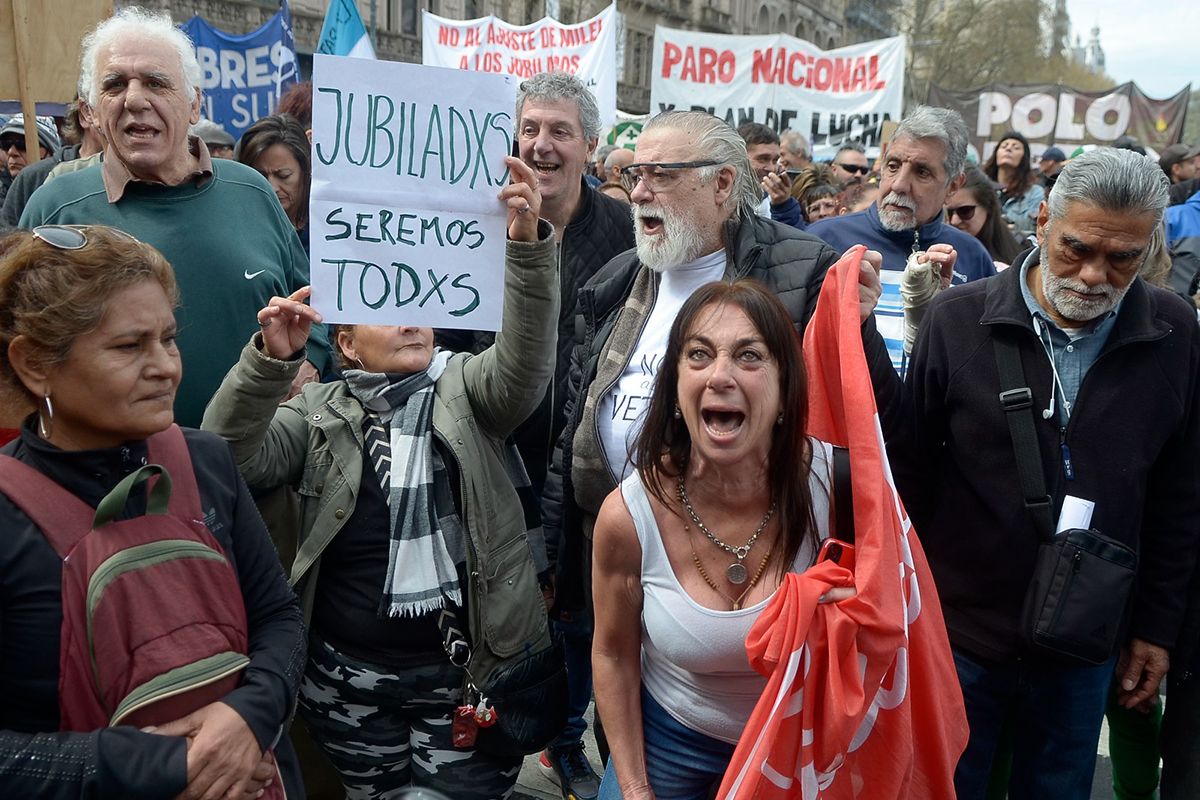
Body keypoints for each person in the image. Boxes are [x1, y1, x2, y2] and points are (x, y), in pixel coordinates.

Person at [202, 158, 557, 800]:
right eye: (387, 306)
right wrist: (269, 363)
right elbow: (229, 453)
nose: (411, 317)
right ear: (346, 344)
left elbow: (526, 366)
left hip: (463, 682)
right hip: (346, 686)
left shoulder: (466, 387)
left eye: (420, 304)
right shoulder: (313, 413)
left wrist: (526, 248)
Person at [876, 147, 1200, 800]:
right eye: (1076, 248)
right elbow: (907, 479)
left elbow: (1178, 496)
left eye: (1121, 259)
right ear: (1043, 219)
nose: (1092, 275)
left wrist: (1155, 630)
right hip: (958, 638)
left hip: (1086, 644)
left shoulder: (1174, 331)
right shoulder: (957, 320)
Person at [542, 109, 836, 770]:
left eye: (661, 176)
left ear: (723, 184)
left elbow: (855, 423)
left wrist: (862, 328)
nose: (639, 192)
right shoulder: (616, 279)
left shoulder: (804, 272)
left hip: (747, 576)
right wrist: (556, 552)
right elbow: (573, 427)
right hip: (613, 554)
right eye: (634, 174)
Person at [0, 225, 304, 798]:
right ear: (35, 363)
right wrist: (159, 765)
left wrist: (248, 717)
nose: (166, 366)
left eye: (169, 338)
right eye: (128, 346)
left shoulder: (206, 460)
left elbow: (278, 618)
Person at [591, 279, 859, 799]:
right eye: (698, 355)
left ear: (786, 393)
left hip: (801, 745)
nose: (719, 376)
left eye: (749, 356)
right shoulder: (627, 517)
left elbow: (894, 628)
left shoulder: (840, 488)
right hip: (669, 744)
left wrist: (861, 615)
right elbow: (613, 654)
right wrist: (635, 786)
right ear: (673, 389)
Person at [20, 6, 328, 427]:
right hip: (115, 481)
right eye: (114, 85)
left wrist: (307, 361)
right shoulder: (57, 207)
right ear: (91, 111)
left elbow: (316, 307)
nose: (134, 99)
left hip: (258, 473)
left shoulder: (252, 190)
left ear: (193, 104)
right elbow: (24, 351)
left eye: (155, 82)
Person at [808, 105, 995, 374]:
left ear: (953, 186)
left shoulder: (971, 256)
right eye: (893, 166)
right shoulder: (823, 239)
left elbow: (979, 364)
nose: (898, 185)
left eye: (922, 172)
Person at [1, 99, 104, 231]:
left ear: (49, 149)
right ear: (84, 115)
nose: (12, 151)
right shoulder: (32, 178)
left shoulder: (133, 173)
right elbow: (9, 242)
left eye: (21, 144)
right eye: (6, 144)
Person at [236, 114, 310, 251]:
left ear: (306, 171)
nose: (271, 187)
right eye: (260, 176)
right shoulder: (236, 230)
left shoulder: (327, 229)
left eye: (283, 175)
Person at [945, 164, 1023, 269]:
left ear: (988, 206)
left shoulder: (1019, 254)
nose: (954, 221)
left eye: (965, 211)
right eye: (948, 213)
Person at [982, 130, 1045, 240]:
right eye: (1004, 146)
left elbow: (1037, 234)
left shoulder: (1035, 193)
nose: (1008, 149)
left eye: (1016, 147)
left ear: (1024, 157)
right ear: (996, 153)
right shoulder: (981, 187)